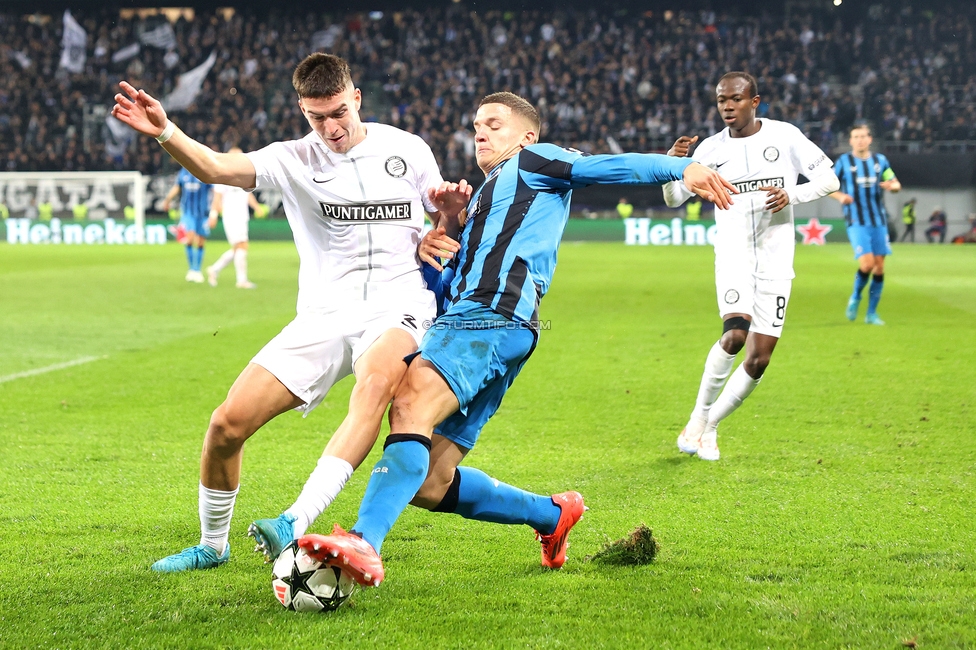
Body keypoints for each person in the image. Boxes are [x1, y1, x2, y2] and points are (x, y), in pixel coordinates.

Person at [294, 92, 736, 588]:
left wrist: (680, 170)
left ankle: (363, 542)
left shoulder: (532, 161)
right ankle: (552, 516)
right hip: (496, 328)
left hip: (487, 319)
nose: (481, 132)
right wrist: (437, 244)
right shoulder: (485, 197)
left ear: (527, 135)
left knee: (409, 404)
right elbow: (449, 283)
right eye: (477, 124)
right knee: (429, 481)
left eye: (495, 125)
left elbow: (603, 167)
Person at [111, 52, 468, 573]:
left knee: (374, 388)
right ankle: (213, 545)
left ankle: (294, 522)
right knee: (226, 425)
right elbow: (214, 166)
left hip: (399, 304)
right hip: (325, 313)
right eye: (316, 117)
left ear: (357, 99)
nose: (331, 128)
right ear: (302, 111)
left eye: (339, 112)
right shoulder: (293, 158)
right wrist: (168, 133)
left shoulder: (407, 149)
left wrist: (447, 219)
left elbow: (440, 221)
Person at [665, 71, 840, 461]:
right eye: (721, 100)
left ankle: (711, 427)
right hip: (733, 255)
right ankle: (697, 418)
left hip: (778, 261)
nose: (728, 106)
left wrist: (792, 194)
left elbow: (829, 179)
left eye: (736, 99)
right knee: (734, 335)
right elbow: (675, 198)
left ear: (754, 101)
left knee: (759, 359)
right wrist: (671, 166)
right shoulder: (709, 149)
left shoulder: (785, 136)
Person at [829, 124, 901, 326]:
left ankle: (871, 314)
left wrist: (892, 187)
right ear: (851, 141)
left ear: (870, 139)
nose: (860, 140)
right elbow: (827, 185)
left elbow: (895, 183)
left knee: (879, 268)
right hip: (856, 221)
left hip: (878, 221)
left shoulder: (880, 161)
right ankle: (855, 297)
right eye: (856, 136)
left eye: (863, 136)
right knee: (867, 264)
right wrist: (841, 196)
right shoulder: (844, 162)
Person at [205, 148, 268, 289]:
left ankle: (214, 269)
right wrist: (213, 215)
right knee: (241, 246)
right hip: (231, 216)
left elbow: (248, 194)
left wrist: (256, 207)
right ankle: (241, 280)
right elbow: (217, 199)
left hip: (242, 216)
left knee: (239, 247)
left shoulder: (243, 175)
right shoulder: (222, 177)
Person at [162, 166, 213, 283]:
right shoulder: (183, 172)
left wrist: (215, 208)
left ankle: (198, 270)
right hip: (188, 212)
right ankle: (191, 269)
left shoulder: (204, 171)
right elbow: (177, 187)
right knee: (189, 238)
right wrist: (168, 199)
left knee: (200, 241)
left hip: (203, 213)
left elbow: (214, 189)